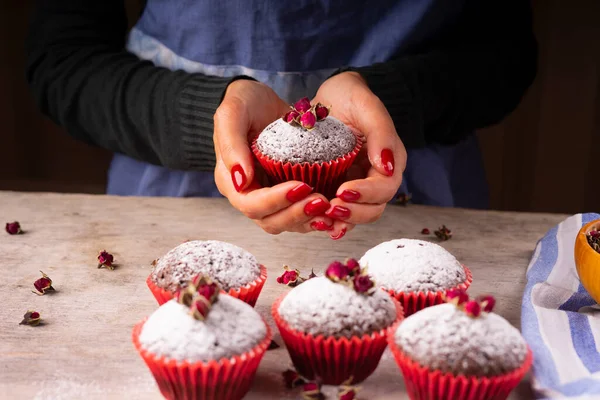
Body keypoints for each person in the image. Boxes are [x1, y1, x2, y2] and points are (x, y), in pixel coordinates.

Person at [25, 0, 537, 240]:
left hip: (413, 189)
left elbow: (506, 55)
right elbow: (62, 60)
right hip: (169, 195)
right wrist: (208, 115)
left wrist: (388, 102)